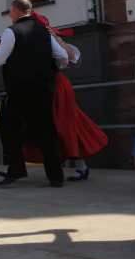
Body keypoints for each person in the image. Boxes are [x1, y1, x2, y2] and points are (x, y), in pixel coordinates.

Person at [0, 0, 69, 187]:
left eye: (11, 11)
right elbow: (63, 57)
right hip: (43, 90)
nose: (10, 14)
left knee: (7, 126)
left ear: (16, 11)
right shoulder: (44, 31)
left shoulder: (11, 32)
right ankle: (56, 176)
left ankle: (17, 169)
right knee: (46, 130)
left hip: (19, 90)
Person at [25, 12, 109, 181]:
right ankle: (73, 166)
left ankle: (69, 166)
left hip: (56, 86)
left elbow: (70, 58)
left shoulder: (50, 40)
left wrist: (57, 39)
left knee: (64, 124)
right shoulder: (35, 40)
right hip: (47, 85)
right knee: (61, 124)